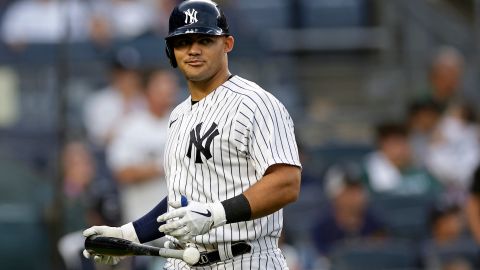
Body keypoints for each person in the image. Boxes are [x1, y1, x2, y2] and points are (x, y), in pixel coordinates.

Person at [82, 1, 302, 269]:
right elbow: (181, 199)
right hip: (182, 261)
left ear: (227, 44)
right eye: (183, 42)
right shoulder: (178, 116)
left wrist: (215, 214)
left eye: (205, 40)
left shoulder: (255, 103)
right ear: (171, 52)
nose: (193, 50)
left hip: (244, 259)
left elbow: (287, 182)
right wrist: (129, 235)